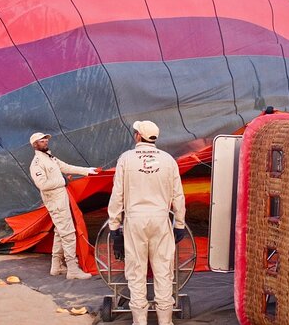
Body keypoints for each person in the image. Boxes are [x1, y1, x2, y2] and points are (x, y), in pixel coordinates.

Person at [107, 120, 186, 325]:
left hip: (135, 220)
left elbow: (117, 195)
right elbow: (178, 196)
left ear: (138, 136)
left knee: (136, 271)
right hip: (161, 219)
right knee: (163, 271)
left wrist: (114, 225)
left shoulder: (126, 159)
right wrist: (179, 224)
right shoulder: (168, 160)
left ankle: (140, 322)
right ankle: (165, 321)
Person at [29, 132, 98, 280]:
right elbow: (42, 184)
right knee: (68, 233)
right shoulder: (36, 164)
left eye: (45, 139)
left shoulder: (50, 158)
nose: (45, 142)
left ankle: (56, 266)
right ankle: (72, 268)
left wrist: (86, 171)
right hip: (55, 202)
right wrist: (62, 181)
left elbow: (66, 166)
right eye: (41, 141)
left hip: (60, 200)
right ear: (35, 145)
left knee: (60, 231)